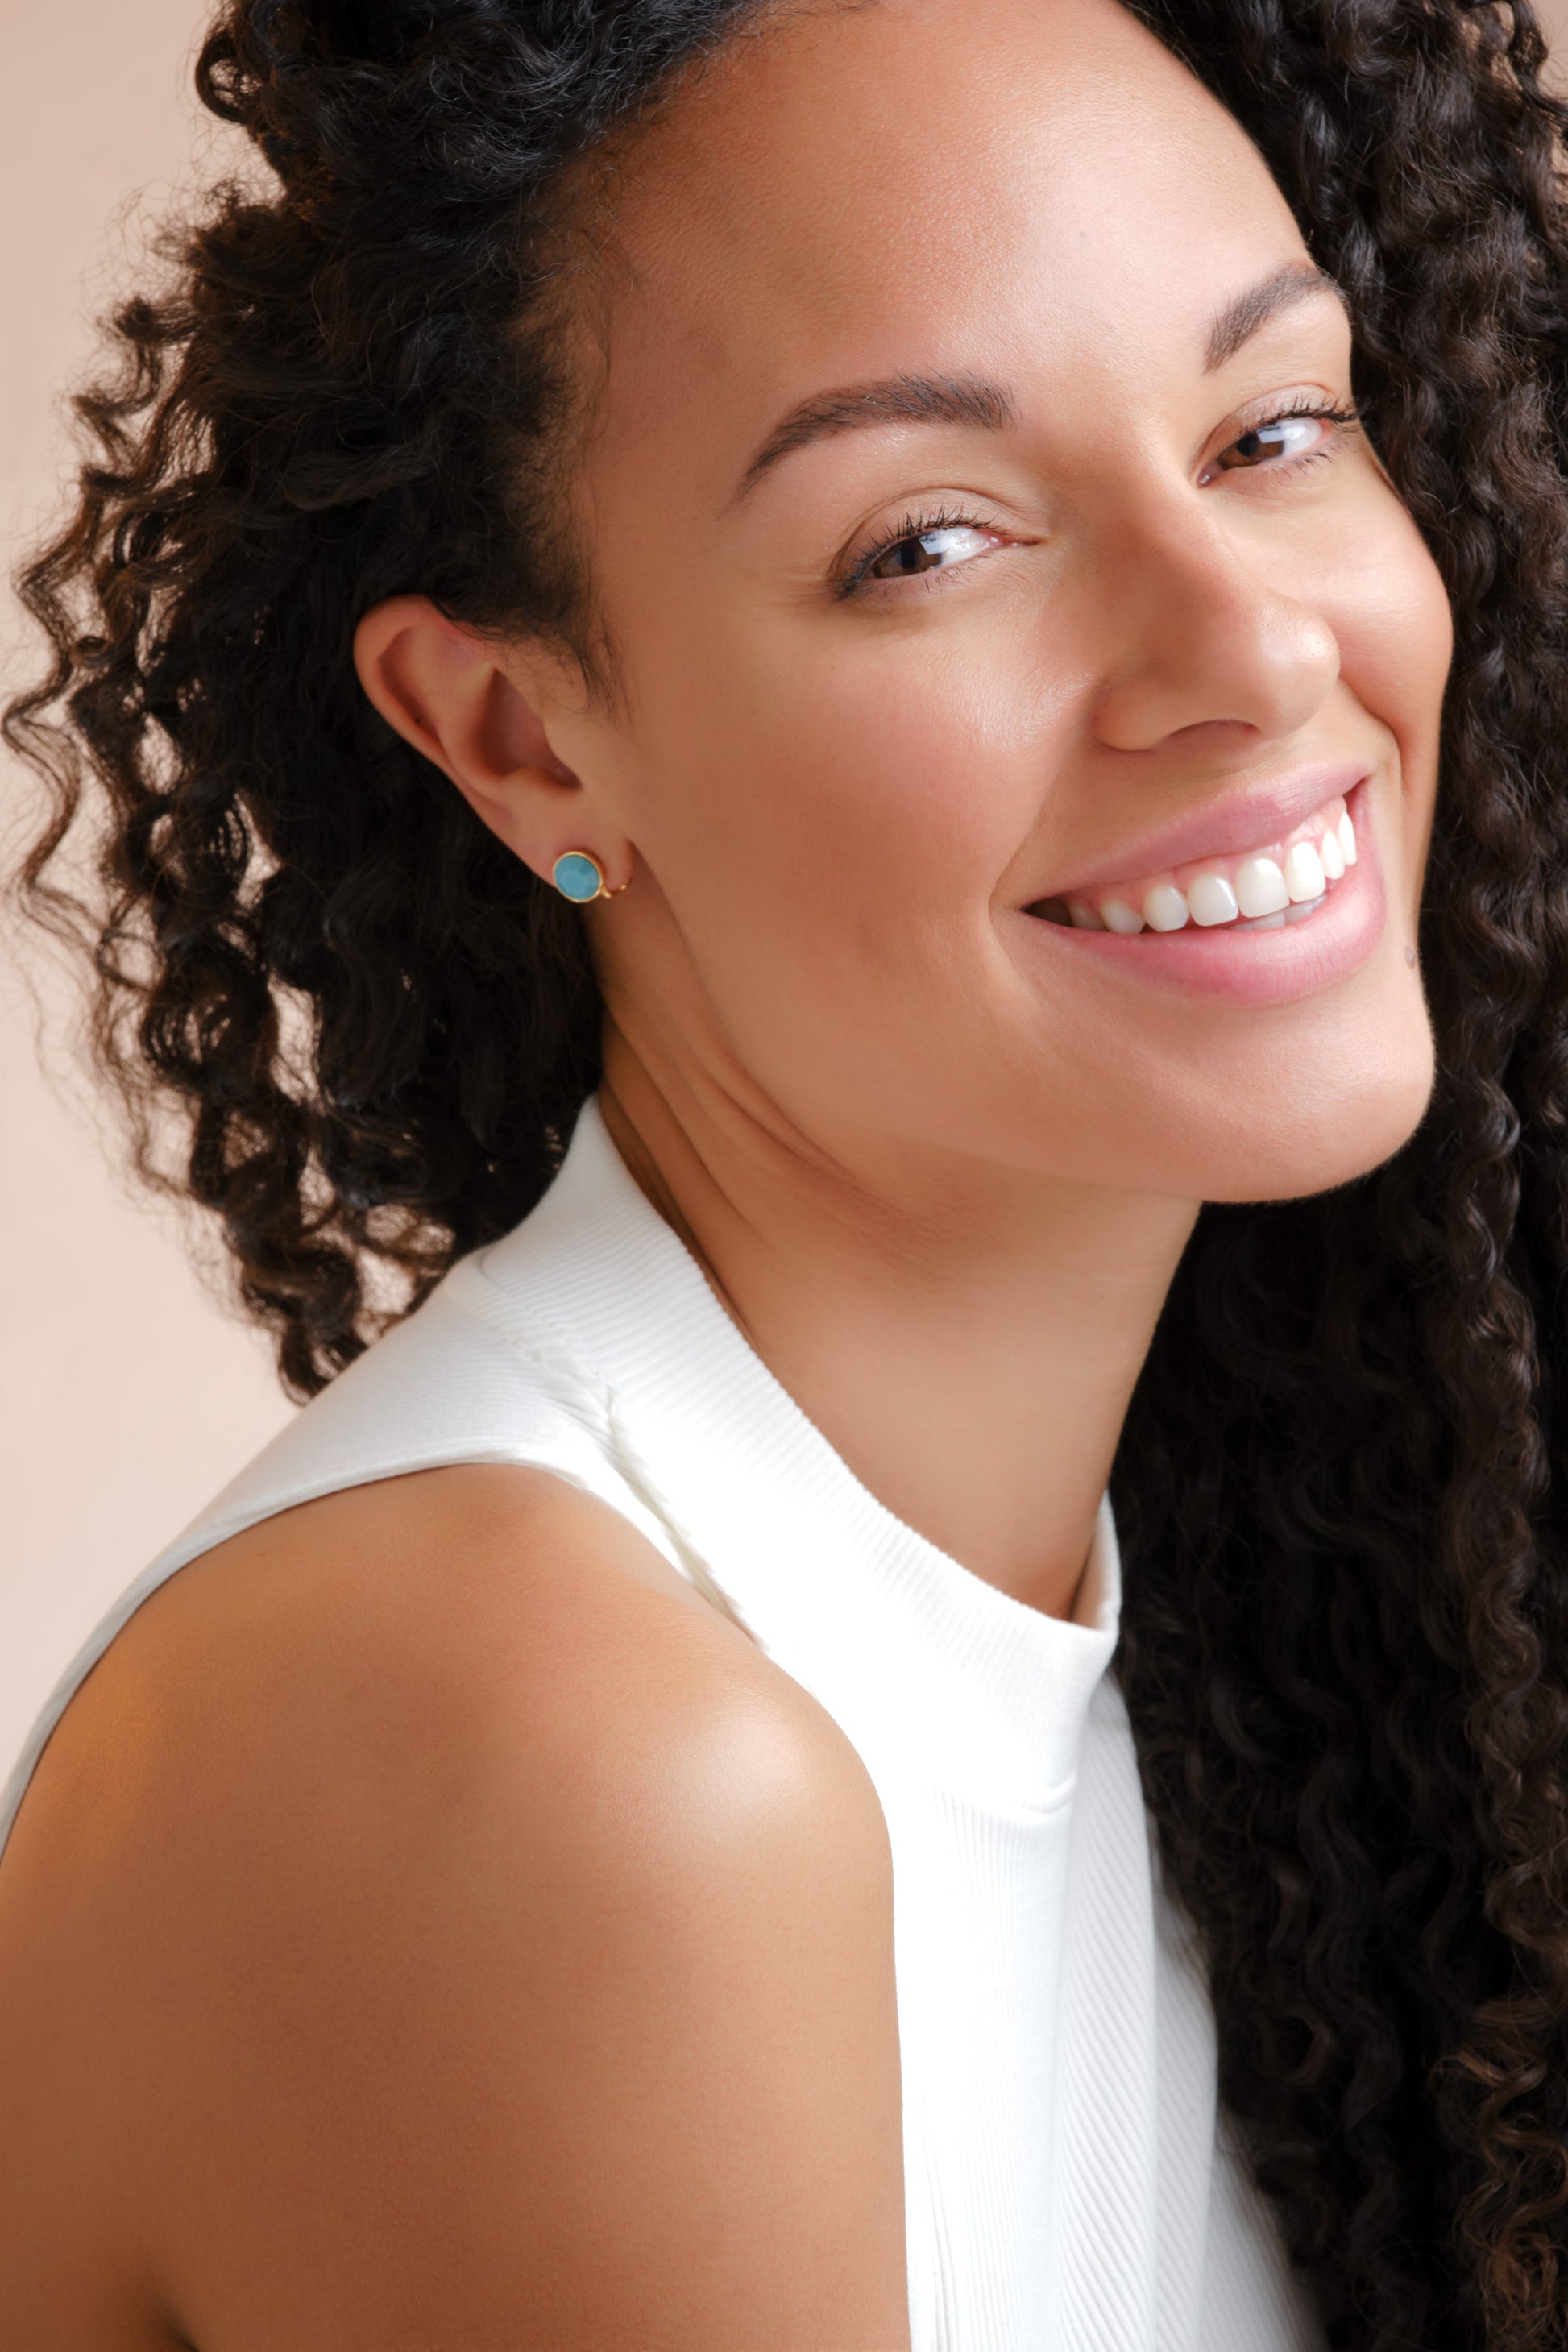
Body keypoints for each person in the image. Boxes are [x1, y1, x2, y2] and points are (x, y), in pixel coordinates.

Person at [2, 0, 1566, 2342]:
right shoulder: (572, 1764)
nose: (1242, 643)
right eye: (927, 541)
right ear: (523, 740)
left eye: (1268, 428)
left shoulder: (1195, 1663)